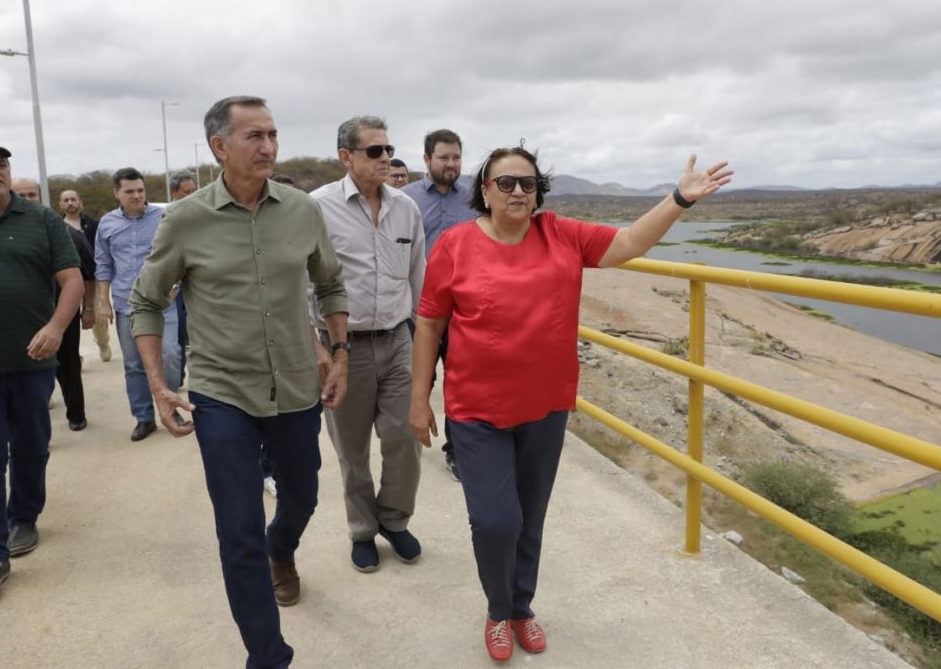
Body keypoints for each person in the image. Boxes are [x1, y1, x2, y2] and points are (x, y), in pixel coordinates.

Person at [409, 146, 732, 661]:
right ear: (484, 191)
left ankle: (521, 607)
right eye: (506, 183)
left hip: (545, 407)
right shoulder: (454, 244)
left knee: (530, 516)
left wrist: (679, 199)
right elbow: (429, 322)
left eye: (528, 183)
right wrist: (419, 397)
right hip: (476, 409)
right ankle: (497, 610)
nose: (519, 192)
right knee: (496, 520)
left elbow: (628, 244)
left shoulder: (560, 234)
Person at [130, 96, 349, 668]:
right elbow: (146, 301)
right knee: (238, 527)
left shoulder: (302, 210)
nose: (269, 146)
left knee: (303, 495)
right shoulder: (184, 218)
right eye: (254, 136)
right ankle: (268, 655)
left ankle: (284, 548)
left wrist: (340, 351)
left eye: (273, 134)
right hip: (221, 391)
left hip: (297, 387)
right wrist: (159, 385)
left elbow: (330, 286)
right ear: (219, 147)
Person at [0, 134, 82, 599]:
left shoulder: (42, 220)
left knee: (31, 445)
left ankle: (23, 515)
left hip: (31, 359)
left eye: (0, 163)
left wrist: (56, 327)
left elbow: (71, 281)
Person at [310, 116, 426, 574]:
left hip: (398, 339)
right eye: (374, 151)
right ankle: (362, 529)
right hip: (343, 346)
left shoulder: (405, 209)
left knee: (404, 436)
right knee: (351, 447)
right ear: (346, 157)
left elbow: (418, 277)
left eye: (388, 150)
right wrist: (318, 347)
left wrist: (423, 343)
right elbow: (302, 280)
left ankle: (395, 520)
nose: (385, 159)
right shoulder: (317, 208)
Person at [402, 128, 476, 481]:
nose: (451, 164)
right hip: (422, 311)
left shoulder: (477, 197)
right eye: (444, 157)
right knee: (419, 379)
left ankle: (456, 452)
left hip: (466, 308)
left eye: (456, 157)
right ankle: (409, 441)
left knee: (461, 384)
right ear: (427, 159)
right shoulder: (404, 199)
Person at [95, 168, 181, 441]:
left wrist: (176, 284)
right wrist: (102, 301)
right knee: (134, 364)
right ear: (116, 193)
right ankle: (144, 418)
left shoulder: (164, 217)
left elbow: (180, 253)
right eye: (130, 191)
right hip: (126, 303)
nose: (136, 196)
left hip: (163, 302)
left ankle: (171, 405)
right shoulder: (107, 224)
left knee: (169, 355)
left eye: (140, 190)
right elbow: (103, 265)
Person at [14, 180, 97, 432]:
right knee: (28, 368)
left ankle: (76, 413)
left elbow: (88, 274)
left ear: (40, 196)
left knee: (68, 363)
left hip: (63, 311)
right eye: (21, 195)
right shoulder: (0, 235)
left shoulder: (64, 233)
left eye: (32, 194)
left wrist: (89, 308)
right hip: (23, 315)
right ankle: (36, 420)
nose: (28, 199)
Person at [60, 188, 111, 362]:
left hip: (92, 277)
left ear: (80, 202)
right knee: (69, 318)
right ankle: (75, 352)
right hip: (68, 280)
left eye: (73, 199)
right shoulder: (57, 226)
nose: (70, 203)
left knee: (96, 314)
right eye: (65, 200)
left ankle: (103, 343)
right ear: (60, 205)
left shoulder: (93, 224)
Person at [168, 173, 196, 389]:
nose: (192, 195)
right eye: (187, 192)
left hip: (198, 286)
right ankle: (176, 377)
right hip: (175, 289)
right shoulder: (165, 218)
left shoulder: (204, 215)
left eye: (194, 190)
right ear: (174, 192)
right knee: (178, 337)